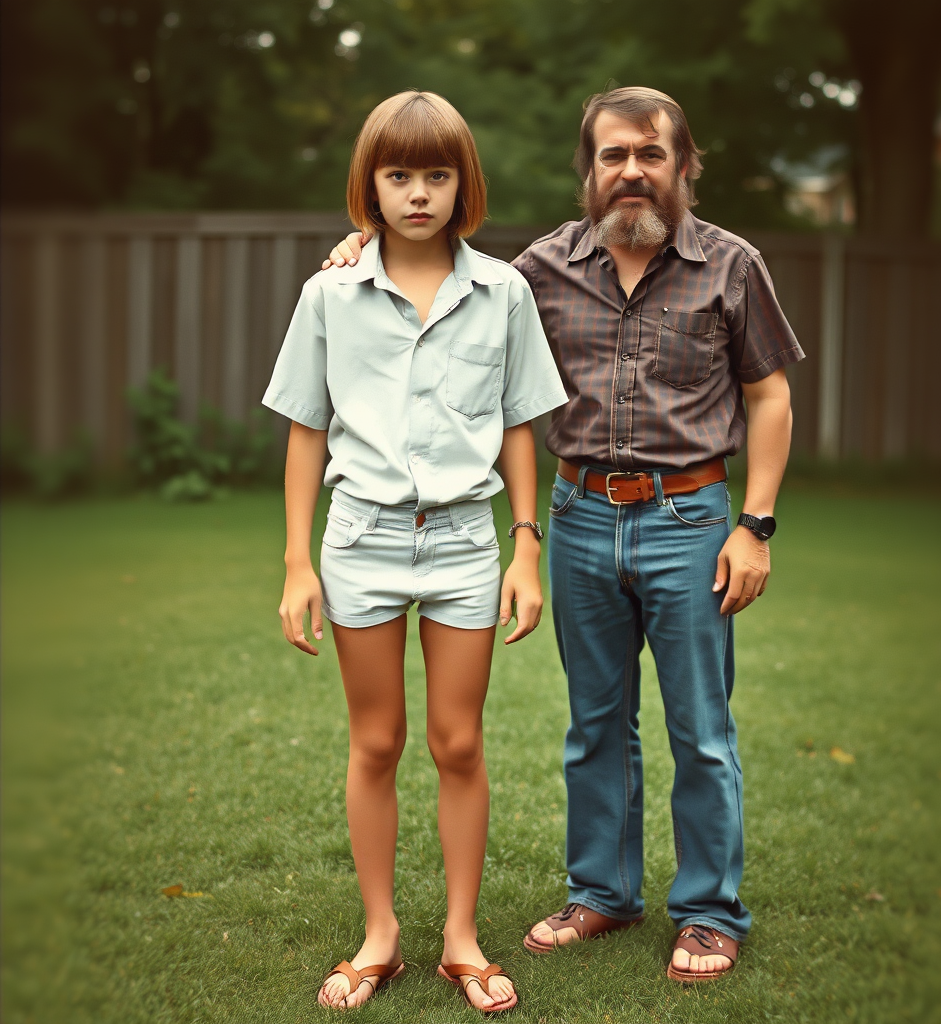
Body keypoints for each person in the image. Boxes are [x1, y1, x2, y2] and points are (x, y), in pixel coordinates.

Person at [327, 86, 804, 985]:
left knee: (701, 729)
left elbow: (769, 395)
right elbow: (449, 279)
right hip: (579, 516)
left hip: (691, 522)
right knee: (594, 725)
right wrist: (363, 249)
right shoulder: (541, 268)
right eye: (613, 155)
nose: (631, 171)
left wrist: (755, 526)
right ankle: (604, 894)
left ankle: (707, 913)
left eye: (650, 154)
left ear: (682, 166)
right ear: (589, 171)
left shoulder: (731, 266)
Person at [266, 90, 567, 1013]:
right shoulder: (330, 292)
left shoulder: (505, 291)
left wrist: (525, 548)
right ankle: (381, 936)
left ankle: (462, 940)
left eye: (437, 174)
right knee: (377, 741)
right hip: (360, 538)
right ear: (371, 185)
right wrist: (297, 563)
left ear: (462, 184)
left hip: (467, 543)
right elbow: (306, 433)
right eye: (399, 175)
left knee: (459, 740)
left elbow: (522, 426)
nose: (419, 193)